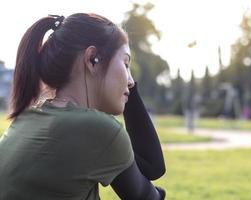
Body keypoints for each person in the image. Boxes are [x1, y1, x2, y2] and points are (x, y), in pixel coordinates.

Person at [0, 13, 166, 200]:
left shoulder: (28, 118)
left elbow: (151, 167)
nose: (131, 81)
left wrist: (125, 86)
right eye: (126, 63)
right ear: (92, 59)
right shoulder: (96, 129)